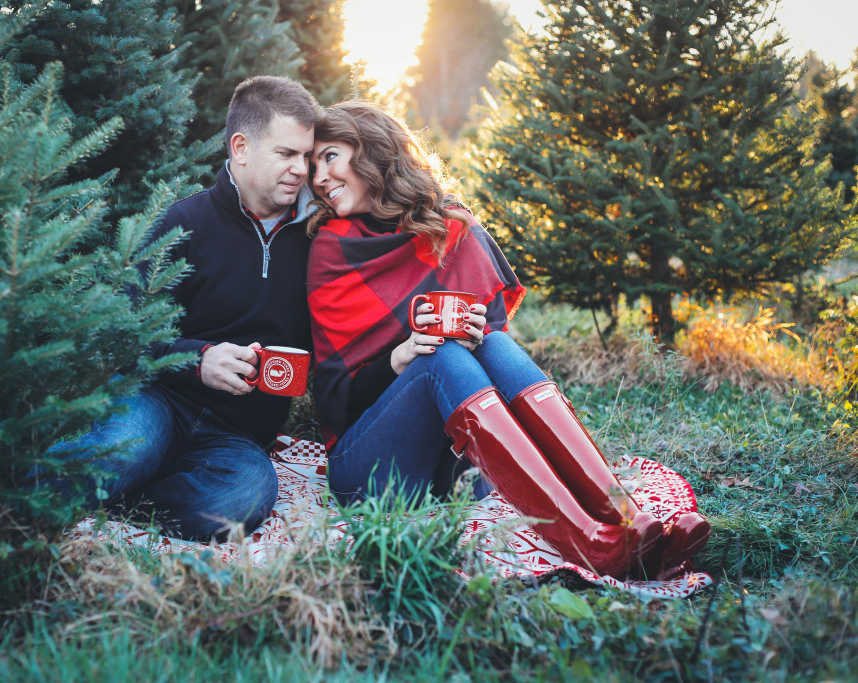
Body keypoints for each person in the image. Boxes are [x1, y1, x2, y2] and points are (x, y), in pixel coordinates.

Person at [306, 101, 710, 579]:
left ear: (370, 150)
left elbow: (492, 348)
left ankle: (628, 519)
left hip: (457, 473)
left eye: (328, 156)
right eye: (311, 164)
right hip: (373, 473)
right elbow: (331, 403)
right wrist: (395, 361)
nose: (317, 177)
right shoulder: (331, 251)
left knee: (492, 344)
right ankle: (588, 540)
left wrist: (479, 331)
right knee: (440, 358)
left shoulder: (448, 226)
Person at [39, 76, 321, 541]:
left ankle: (129, 500)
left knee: (244, 497)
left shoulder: (317, 241)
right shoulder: (185, 224)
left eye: (307, 156)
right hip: (159, 398)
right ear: (241, 147)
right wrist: (199, 360)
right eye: (287, 154)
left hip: (237, 435)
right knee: (122, 451)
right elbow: (124, 334)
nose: (301, 169)